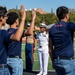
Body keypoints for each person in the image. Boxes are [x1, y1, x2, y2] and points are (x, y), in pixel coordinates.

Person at [6, 9, 36, 75]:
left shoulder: (5, 32)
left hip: (6, 60)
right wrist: (33, 18)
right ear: (16, 21)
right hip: (15, 60)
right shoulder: (17, 32)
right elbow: (30, 32)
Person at [49, 6, 75, 75]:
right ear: (66, 15)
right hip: (68, 60)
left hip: (57, 60)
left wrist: (52, 62)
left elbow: (50, 49)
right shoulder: (69, 25)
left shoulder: (52, 29)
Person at [0, 5, 26, 75]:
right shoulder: (2, 33)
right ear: (1, 18)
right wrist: (23, 18)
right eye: (5, 16)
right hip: (2, 68)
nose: (6, 18)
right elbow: (17, 37)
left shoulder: (5, 32)